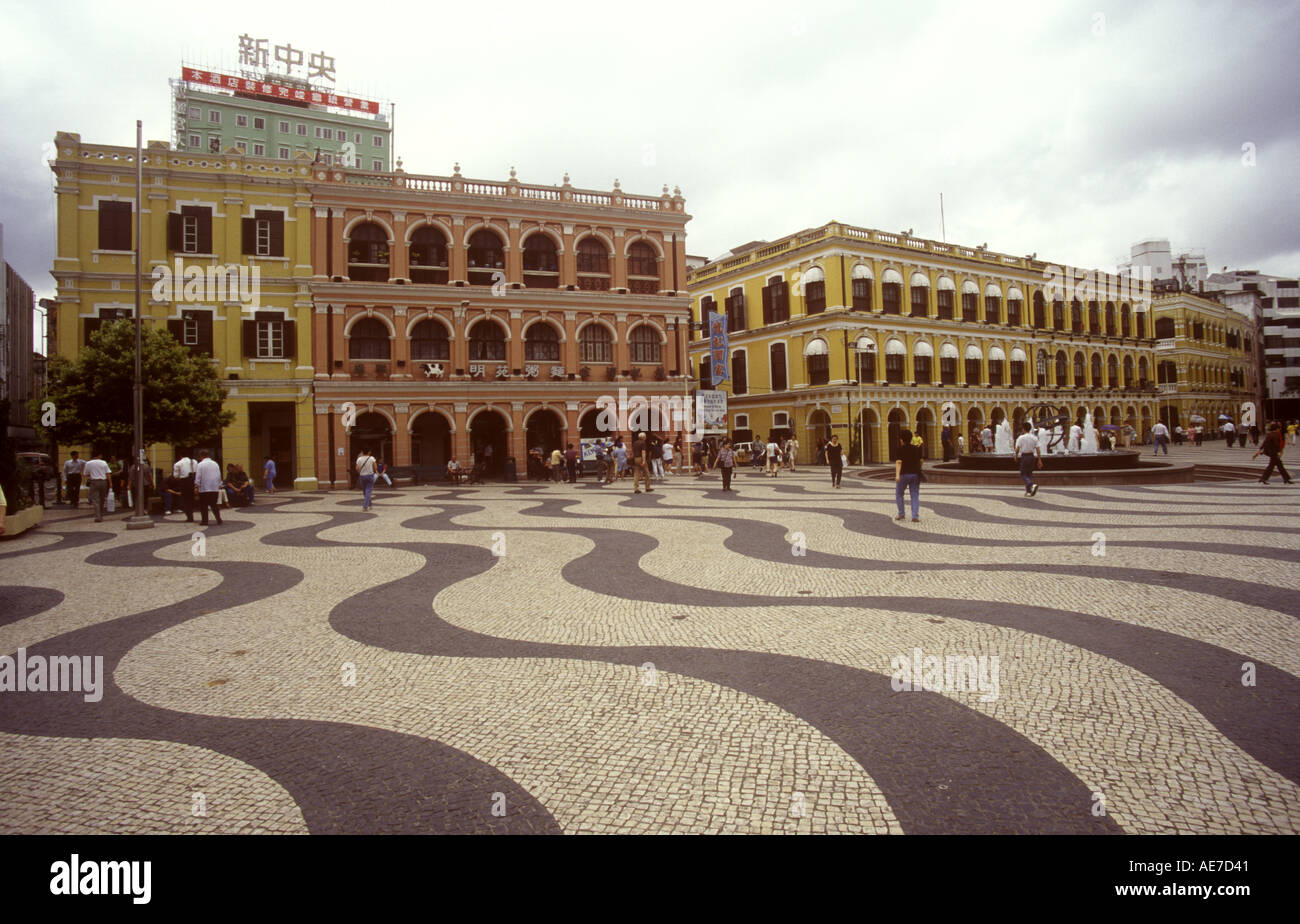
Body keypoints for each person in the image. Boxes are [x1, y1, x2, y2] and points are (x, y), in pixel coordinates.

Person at [894, 428, 924, 522]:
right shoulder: (916, 449)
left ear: (902, 439)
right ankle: (915, 516)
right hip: (915, 474)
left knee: (899, 493)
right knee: (914, 494)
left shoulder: (900, 449)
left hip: (903, 474)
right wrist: (919, 468)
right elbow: (921, 460)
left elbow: (899, 462)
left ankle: (901, 514)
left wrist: (897, 475)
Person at [194, 449, 224, 526]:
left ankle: (205, 520)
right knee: (214, 504)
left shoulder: (200, 464)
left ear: (201, 456)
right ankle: (218, 519)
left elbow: (198, 476)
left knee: (203, 505)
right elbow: (218, 475)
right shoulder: (215, 464)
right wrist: (219, 484)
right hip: (214, 488)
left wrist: (196, 486)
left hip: (204, 488)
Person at [83, 450, 112, 522]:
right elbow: (108, 474)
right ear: (99, 455)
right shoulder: (104, 462)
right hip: (104, 482)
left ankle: (97, 516)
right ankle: (101, 514)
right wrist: (110, 483)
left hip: (94, 482)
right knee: (102, 499)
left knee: (95, 500)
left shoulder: (88, 463)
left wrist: (91, 476)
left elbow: (86, 474)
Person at [1015, 422, 1042, 497]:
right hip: (1032, 456)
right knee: (1029, 474)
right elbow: (1038, 449)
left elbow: (1017, 448)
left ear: (1023, 429)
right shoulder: (1034, 438)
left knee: (1023, 474)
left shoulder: (1021, 438)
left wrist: (1016, 456)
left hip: (1024, 456)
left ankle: (1031, 484)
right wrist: (1039, 460)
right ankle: (1029, 491)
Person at [174, 450, 197, 523]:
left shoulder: (178, 464)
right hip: (194, 480)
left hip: (184, 482)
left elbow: (176, 476)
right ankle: (192, 513)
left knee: (186, 500)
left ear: (180, 456)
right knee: (192, 499)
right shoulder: (194, 461)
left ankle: (189, 516)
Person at [355, 446, 378, 512]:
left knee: (365, 491)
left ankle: (370, 504)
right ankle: (365, 506)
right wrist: (373, 471)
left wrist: (360, 472)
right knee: (368, 491)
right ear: (369, 452)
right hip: (370, 476)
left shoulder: (359, 459)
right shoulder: (372, 458)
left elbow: (356, 468)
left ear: (362, 452)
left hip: (362, 476)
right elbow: (375, 467)